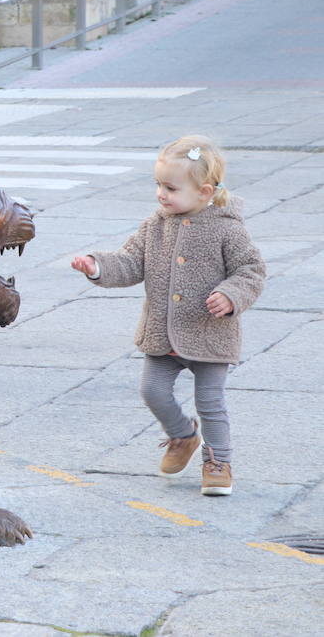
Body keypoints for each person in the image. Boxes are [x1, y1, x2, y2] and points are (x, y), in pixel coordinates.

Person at [70, 136, 266, 496]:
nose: (161, 194)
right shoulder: (154, 225)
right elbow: (129, 262)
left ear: (205, 191)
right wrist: (98, 267)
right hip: (162, 334)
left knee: (211, 403)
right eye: (158, 185)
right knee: (152, 390)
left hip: (209, 333)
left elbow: (251, 270)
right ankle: (182, 435)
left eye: (171, 188)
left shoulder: (227, 228)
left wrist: (231, 295)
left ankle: (218, 461)